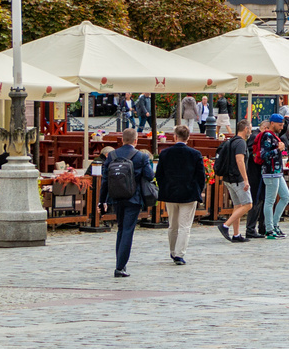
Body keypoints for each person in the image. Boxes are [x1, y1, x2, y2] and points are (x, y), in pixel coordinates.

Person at [103, 128, 155, 278]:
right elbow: (150, 176)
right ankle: (120, 267)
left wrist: (102, 200)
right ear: (136, 140)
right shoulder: (141, 156)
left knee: (120, 229)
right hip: (134, 197)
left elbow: (105, 180)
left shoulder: (112, 155)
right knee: (128, 230)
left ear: (122, 140)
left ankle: (120, 262)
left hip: (116, 197)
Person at [157, 124, 204, 266]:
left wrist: (164, 187)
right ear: (188, 137)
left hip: (170, 192)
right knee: (185, 226)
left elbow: (159, 174)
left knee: (173, 224)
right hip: (189, 193)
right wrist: (197, 189)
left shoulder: (165, 153)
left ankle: (172, 251)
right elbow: (200, 176)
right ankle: (179, 254)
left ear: (174, 136)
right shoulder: (195, 154)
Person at [215, 119, 252, 243]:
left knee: (238, 205)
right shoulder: (241, 143)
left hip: (228, 178)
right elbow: (240, 160)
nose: (250, 131)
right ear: (246, 129)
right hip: (237, 178)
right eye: (250, 129)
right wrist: (246, 180)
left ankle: (236, 234)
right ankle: (225, 225)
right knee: (248, 204)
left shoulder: (231, 141)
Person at [253, 114, 289, 239]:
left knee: (286, 197)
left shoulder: (275, 136)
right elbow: (264, 155)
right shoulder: (267, 136)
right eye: (280, 125)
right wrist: (278, 150)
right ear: (272, 123)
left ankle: (274, 224)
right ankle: (269, 229)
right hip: (270, 172)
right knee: (270, 201)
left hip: (277, 171)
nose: (282, 127)